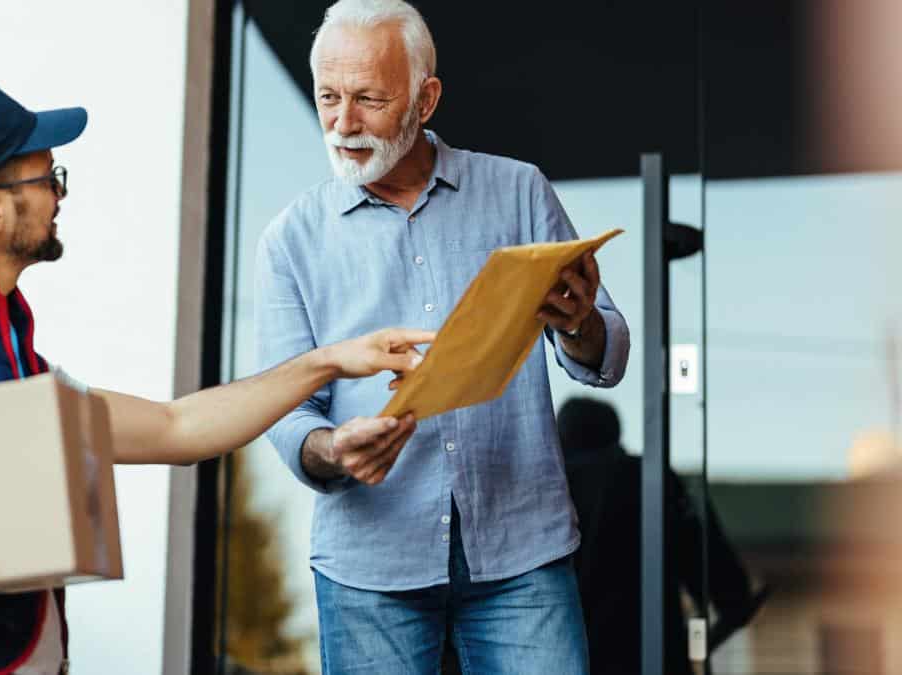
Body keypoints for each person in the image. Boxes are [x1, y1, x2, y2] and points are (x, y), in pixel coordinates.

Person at [0, 81, 435, 675]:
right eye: (47, 178)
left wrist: (331, 359)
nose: (60, 195)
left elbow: (176, 427)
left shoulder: (14, 358)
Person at [254, 1, 631, 671]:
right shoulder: (290, 240)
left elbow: (609, 352)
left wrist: (578, 325)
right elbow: (286, 414)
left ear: (425, 99)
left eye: (369, 99)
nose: (343, 123)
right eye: (328, 98)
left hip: (523, 552)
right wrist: (332, 449)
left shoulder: (520, 192)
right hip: (369, 564)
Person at [558, 397, 766, 675]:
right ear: (615, 436)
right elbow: (725, 586)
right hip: (653, 660)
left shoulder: (547, 492)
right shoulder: (651, 479)